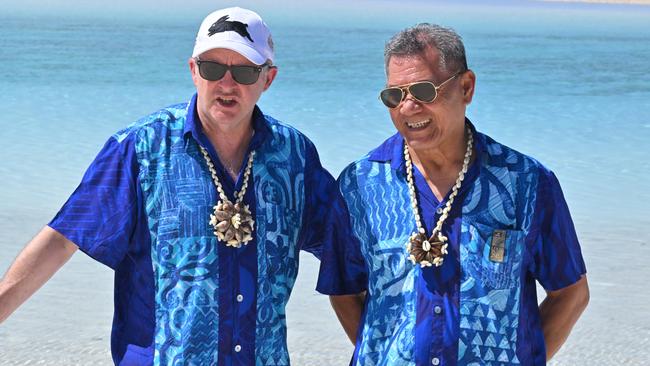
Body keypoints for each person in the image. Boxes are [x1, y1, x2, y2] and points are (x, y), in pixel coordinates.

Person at [0, 7, 337, 365]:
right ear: (193, 71)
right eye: (212, 69)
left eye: (243, 71)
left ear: (267, 79)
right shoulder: (141, 149)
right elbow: (63, 238)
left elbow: (350, 247)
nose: (226, 84)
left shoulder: (294, 156)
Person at [317, 23, 589, 365]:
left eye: (423, 91)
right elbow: (344, 290)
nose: (407, 107)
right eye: (394, 96)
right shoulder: (359, 184)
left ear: (466, 87)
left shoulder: (527, 182)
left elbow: (570, 293)